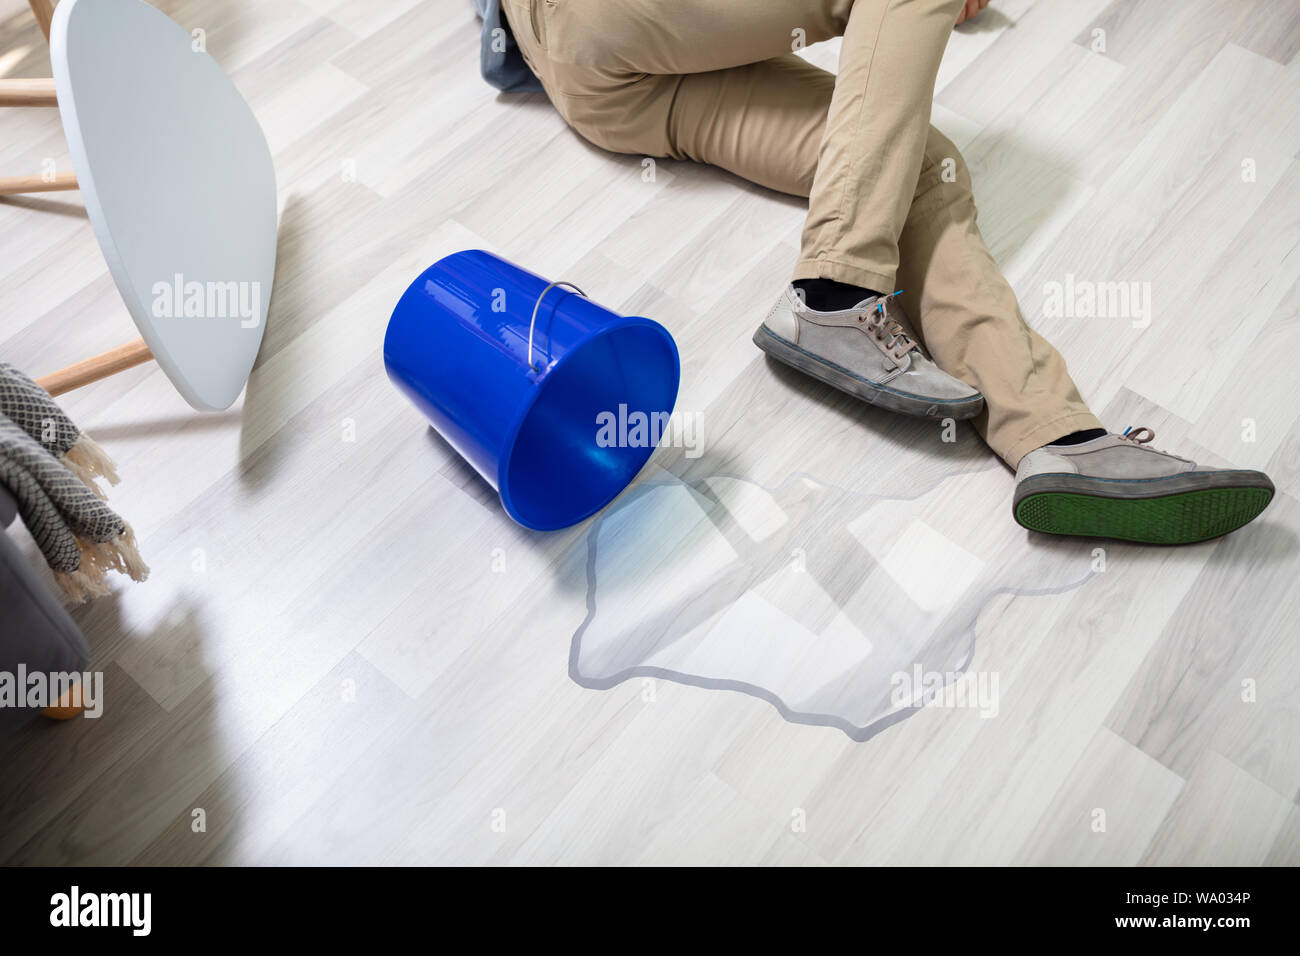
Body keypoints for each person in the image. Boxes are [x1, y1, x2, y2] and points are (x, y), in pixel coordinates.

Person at [472, 0, 1274, 545]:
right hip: (588, 17)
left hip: (604, 90)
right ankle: (836, 293)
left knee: (920, 164)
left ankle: (1055, 437)